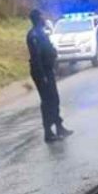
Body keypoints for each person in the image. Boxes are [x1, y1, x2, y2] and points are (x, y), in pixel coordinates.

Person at [27, 9, 73, 142]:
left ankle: (59, 126)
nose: (44, 19)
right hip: (41, 72)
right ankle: (48, 132)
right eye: (42, 16)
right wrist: (43, 76)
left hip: (48, 69)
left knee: (54, 99)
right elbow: (36, 58)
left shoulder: (42, 33)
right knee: (47, 101)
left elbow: (48, 50)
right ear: (37, 19)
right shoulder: (34, 35)